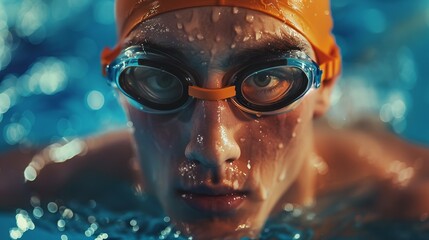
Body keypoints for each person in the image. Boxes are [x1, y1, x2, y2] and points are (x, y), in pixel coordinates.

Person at [1, 0, 429, 239]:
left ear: (324, 88)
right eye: (158, 80)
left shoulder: (406, 195)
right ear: (120, 87)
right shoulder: (62, 179)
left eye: (267, 79)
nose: (211, 148)